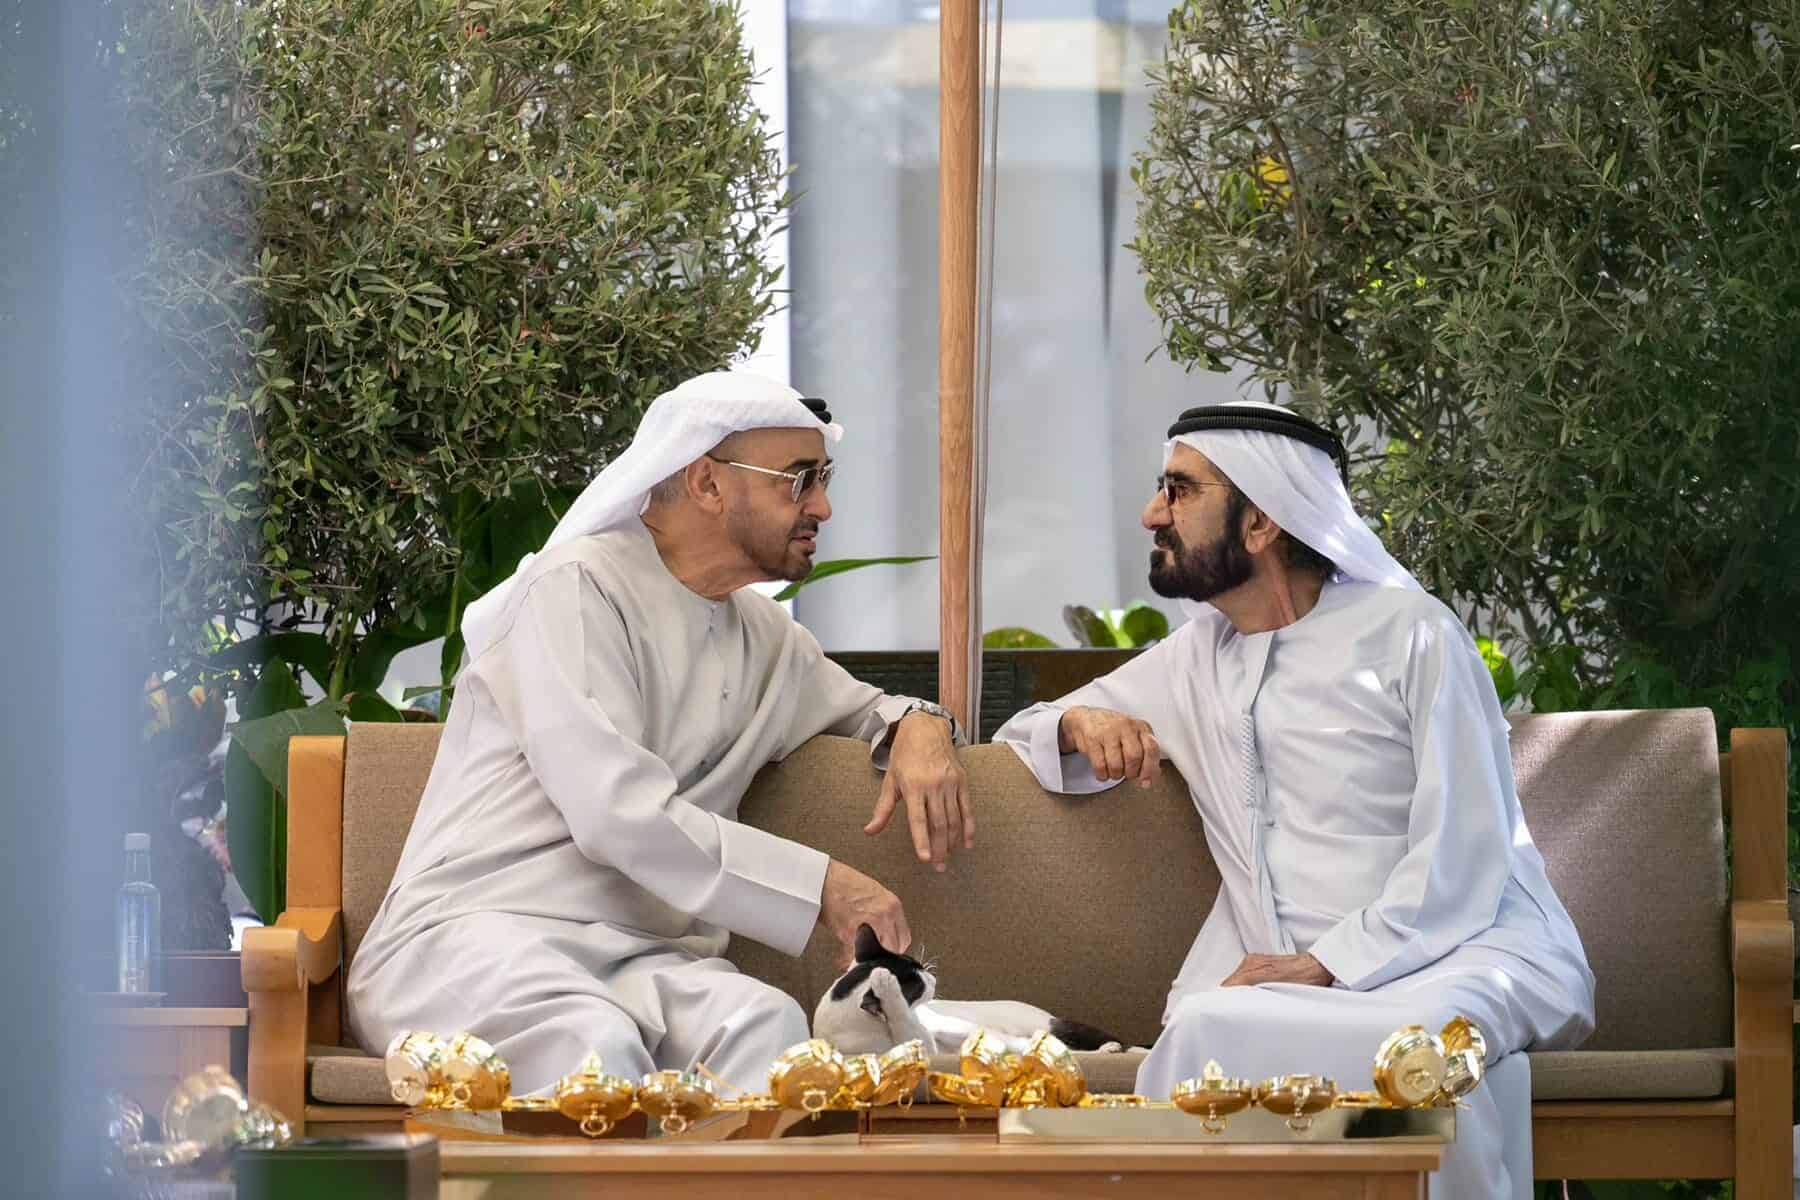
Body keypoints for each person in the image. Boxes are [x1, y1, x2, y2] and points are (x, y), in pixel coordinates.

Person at [993, 400, 1593, 1199]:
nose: (1152, 514)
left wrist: (1328, 964)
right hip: (1283, 980)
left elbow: (1467, 847)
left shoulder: (1411, 632)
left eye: (1179, 490)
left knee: (1420, 1047)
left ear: (1262, 521)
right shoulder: (1194, 658)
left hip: (1465, 952)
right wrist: (1080, 720)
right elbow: (1022, 730)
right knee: (1207, 1024)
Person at [348, 371, 971, 1095]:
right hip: (482, 937)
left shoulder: (767, 638)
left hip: (647, 963)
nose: (823, 507)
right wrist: (825, 886)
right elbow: (617, 813)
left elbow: (874, 711)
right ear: (707, 482)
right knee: (593, 1049)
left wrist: (923, 725)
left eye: (823, 479)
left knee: (766, 1026)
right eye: (799, 480)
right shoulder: (574, 590)